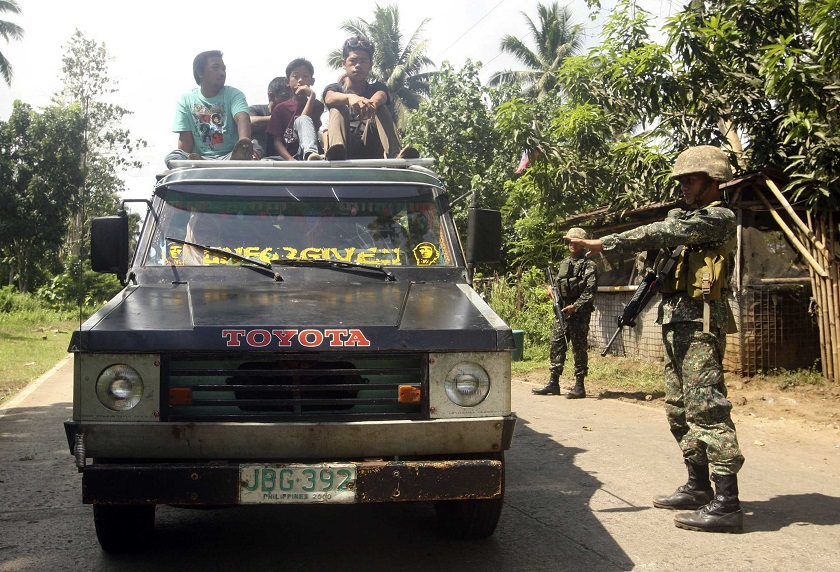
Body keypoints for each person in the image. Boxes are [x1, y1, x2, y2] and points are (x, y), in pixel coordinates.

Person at [568, 145, 745, 533]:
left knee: (707, 408)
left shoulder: (718, 218)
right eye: (680, 180)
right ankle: (698, 486)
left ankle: (727, 503)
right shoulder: (684, 218)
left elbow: (662, 230)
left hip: (700, 322)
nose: (683, 186)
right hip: (673, 322)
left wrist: (603, 243)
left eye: (691, 180)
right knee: (679, 409)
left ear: (713, 183)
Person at [322, 36, 418, 160]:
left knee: (380, 107)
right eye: (353, 60)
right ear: (344, 64)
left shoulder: (376, 87)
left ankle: (395, 154)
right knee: (337, 108)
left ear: (370, 65)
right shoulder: (335, 88)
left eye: (363, 61)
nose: (358, 65)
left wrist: (370, 103)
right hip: (345, 148)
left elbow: (382, 96)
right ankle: (336, 152)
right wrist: (350, 98)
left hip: (371, 147)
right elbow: (329, 98)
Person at [164, 50, 263, 168]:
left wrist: (244, 144)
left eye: (224, 69)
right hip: (201, 157)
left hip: (231, 155)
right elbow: (185, 141)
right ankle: (199, 163)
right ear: (200, 72)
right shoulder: (186, 99)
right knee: (172, 157)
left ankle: (239, 157)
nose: (222, 73)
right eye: (215, 68)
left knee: (255, 147)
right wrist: (185, 160)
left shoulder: (234, 94)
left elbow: (242, 119)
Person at [532, 227, 598, 399]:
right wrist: (551, 291)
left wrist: (575, 306)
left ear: (582, 244)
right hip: (562, 311)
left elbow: (590, 291)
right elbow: (558, 285)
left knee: (578, 348)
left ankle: (579, 386)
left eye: (575, 242)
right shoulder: (563, 263)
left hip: (579, 313)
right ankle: (553, 383)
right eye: (569, 241)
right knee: (557, 345)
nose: (571, 245)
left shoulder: (589, 265)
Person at [265, 58, 325, 161]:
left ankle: (309, 154)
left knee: (303, 120)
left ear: (312, 81)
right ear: (287, 81)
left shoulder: (317, 106)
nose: (301, 80)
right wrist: (290, 160)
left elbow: (303, 119)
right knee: (265, 162)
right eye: (296, 76)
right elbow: (277, 141)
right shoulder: (280, 109)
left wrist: (312, 96)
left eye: (305, 76)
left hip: (312, 154)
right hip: (287, 156)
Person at [249, 77, 292, 157]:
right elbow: (248, 123)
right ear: (272, 96)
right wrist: (276, 118)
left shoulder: (293, 114)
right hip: (259, 157)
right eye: (286, 96)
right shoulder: (256, 110)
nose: (290, 100)